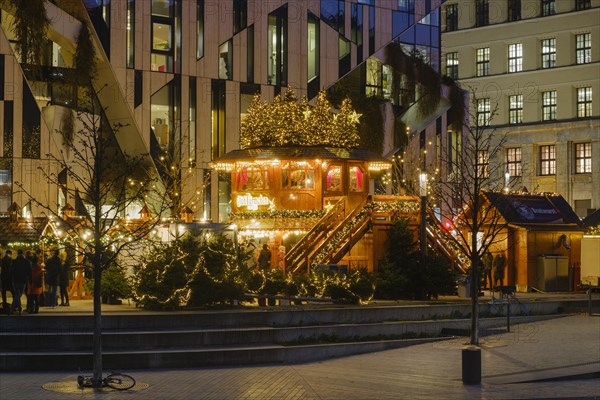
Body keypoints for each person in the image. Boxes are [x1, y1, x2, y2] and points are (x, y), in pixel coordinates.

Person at [10, 249, 31, 315]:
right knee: (19, 294)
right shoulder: (27, 262)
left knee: (17, 293)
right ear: (23, 253)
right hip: (23, 280)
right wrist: (30, 280)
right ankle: (17, 308)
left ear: (17, 254)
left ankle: (14, 308)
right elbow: (29, 271)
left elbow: (11, 271)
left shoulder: (14, 261)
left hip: (15, 280)